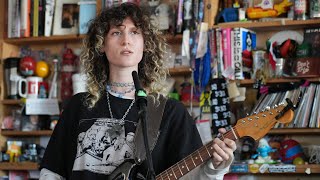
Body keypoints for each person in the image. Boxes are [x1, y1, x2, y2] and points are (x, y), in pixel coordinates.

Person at [40, 2, 236, 180]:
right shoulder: (78, 106)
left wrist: (215, 167)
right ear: (101, 45)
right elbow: (51, 173)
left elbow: (193, 177)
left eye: (135, 32)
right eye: (116, 32)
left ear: (146, 44)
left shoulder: (170, 112)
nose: (126, 40)